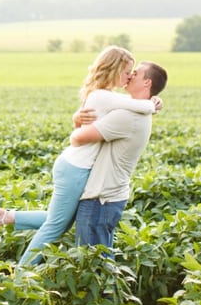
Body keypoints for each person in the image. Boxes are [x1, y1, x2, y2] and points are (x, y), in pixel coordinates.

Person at [0, 46, 162, 266]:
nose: (129, 76)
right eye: (126, 71)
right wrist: (153, 103)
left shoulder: (107, 96)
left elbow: (132, 105)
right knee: (55, 226)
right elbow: (136, 106)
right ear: (114, 70)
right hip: (76, 168)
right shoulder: (106, 97)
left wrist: (152, 103)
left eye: (134, 73)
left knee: (62, 221)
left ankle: (3, 216)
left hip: (75, 166)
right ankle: (20, 274)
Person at [70, 61, 168, 251]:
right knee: (100, 261)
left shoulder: (126, 117)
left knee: (93, 263)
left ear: (147, 83)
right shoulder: (138, 111)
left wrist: (76, 123)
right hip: (110, 196)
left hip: (101, 198)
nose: (130, 75)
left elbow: (78, 138)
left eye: (136, 73)